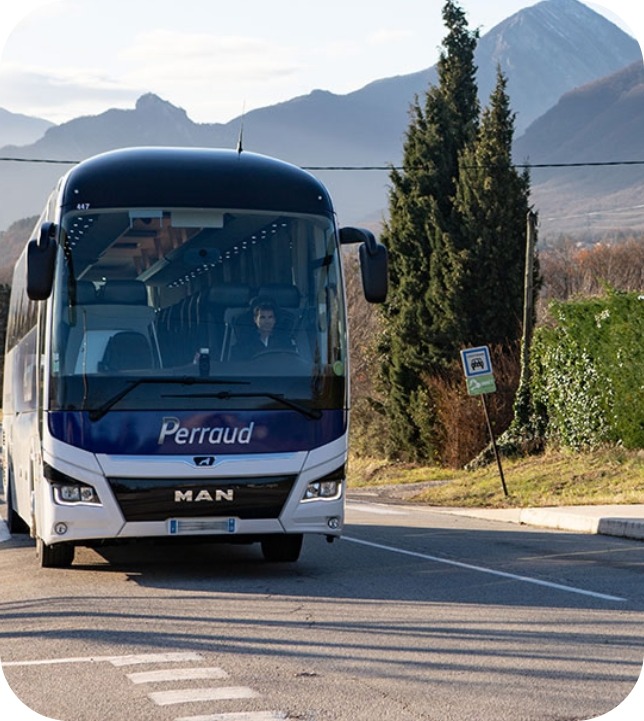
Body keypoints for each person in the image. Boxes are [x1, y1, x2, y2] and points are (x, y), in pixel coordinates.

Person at [231, 297, 296, 360]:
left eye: (270, 317)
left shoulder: (284, 341)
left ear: (275, 320)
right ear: (255, 320)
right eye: (262, 317)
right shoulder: (244, 343)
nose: (267, 321)